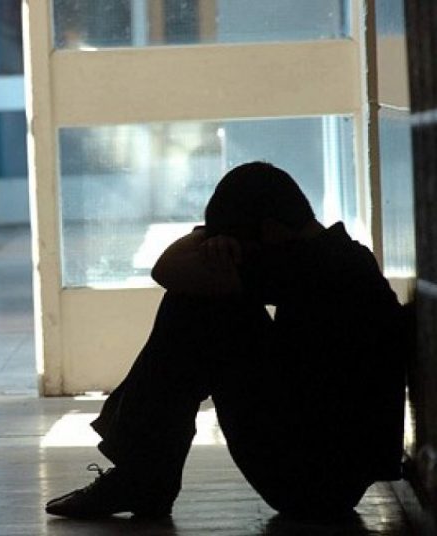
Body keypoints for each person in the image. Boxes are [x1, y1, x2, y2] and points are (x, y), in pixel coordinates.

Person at [45, 162, 405, 521]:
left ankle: (141, 477)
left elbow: (166, 269)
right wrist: (215, 238)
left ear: (271, 231)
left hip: (311, 482)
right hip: (330, 474)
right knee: (205, 297)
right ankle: (142, 475)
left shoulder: (309, 266)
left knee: (195, 303)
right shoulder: (341, 256)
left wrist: (206, 239)